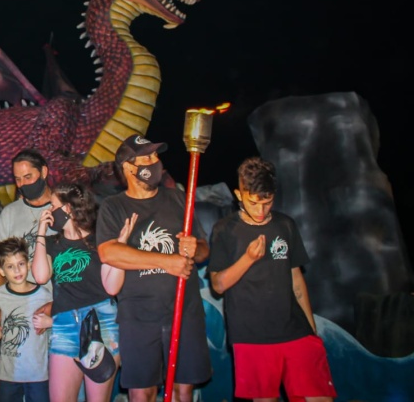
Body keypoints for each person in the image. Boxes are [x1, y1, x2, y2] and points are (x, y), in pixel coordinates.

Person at [208, 157, 336, 402]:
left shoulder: (285, 225)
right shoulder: (225, 229)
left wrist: (311, 330)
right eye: (254, 203)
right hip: (251, 335)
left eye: (267, 203)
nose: (261, 210)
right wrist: (247, 258)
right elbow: (218, 285)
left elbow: (296, 279)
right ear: (239, 194)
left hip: (296, 331)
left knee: (319, 396)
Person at [96, 134, 211, 402]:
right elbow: (109, 252)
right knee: (142, 392)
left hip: (185, 312)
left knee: (185, 389)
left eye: (156, 156)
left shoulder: (178, 199)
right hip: (138, 316)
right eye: (147, 157)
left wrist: (196, 248)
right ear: (128, 167)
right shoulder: (114, 207)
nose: (155, 161)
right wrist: (166, 261)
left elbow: (204, 248)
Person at [32, 183, 133, 402]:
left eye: (53, 205)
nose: (49, 210)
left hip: (102, 322)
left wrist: (121, 246)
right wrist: (41, 231)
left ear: (67, 208)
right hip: (65, 324)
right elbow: (40, 277)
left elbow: (112, 287)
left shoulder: (99, 240)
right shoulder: (52, 242)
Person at [0, 237, 52, 402]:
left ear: (28, 264)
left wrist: (50, 322)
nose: (17, 270)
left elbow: (62, 318)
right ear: (1, 271)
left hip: (38, 375)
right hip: (9, 375)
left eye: (20, 264)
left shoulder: (44, 295)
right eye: (10, 266)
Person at [0, 149, 55, 293]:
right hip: (24, 302)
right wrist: (0, 302)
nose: (22, 184)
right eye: (18, 179)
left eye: (28, 177)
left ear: (43, 172)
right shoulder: (9, 213)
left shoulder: (63, 207)